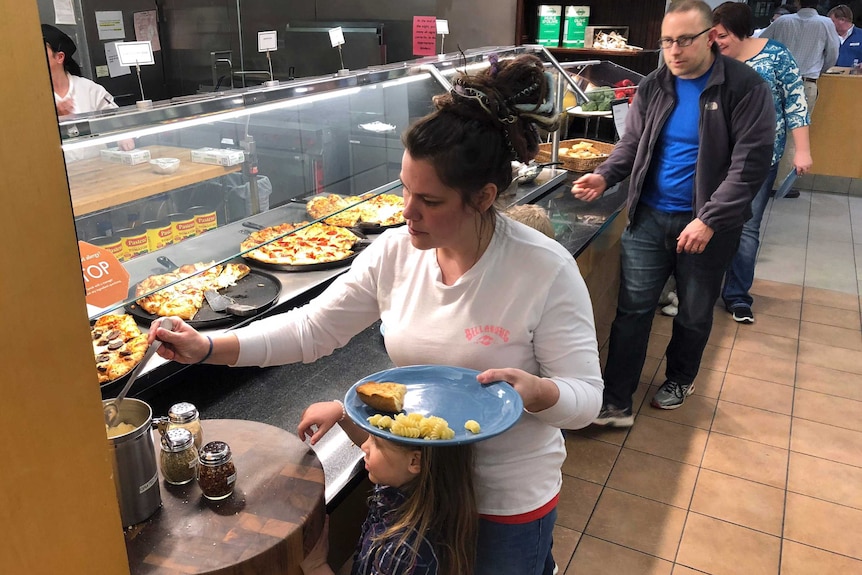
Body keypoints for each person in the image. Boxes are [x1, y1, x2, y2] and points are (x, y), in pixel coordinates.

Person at [149, 53, 604, 575]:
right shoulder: (396, 251)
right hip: (415, 488)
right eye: (404, 188)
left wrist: (538, 392)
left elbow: (586, 399)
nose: (406, 211)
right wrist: (207, 346)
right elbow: (313, 327)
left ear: (483, 197)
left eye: (428, 200)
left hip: (504, 501)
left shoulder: (542, 268)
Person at [571, 0, 775, 424]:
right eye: (667, 42)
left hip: (707, 225)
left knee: (694, 312)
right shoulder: (654, 86)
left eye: (685, 40)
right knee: (633, 311)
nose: (675, 51)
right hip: (647, 217)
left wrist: (710, 219)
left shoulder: (745, 87)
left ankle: (680, 377)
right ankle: (616, 400)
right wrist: (605, 175)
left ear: (711, 37)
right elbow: (632, 143)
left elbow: (749, 165)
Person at [713, 2, 812, 324]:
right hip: (715, 157)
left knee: (747, 226)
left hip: (759, 158)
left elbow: (795, 104)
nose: (717, 42)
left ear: (741, 30)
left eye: (723, 35)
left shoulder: (776, 55)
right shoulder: (714, 59)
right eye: (712, 36)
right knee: (708, 219)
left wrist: (802, 151)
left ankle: (738, 296)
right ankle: (699, 289)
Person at [298, 403, 477, 575]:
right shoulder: (423, 486)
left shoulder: (403, 554)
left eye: (375, 442)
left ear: (415, 461)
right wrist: (341, 413)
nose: (364, 446)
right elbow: (390, 451)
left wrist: (316, 567)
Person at [759, 0, 839, 192]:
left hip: (777, 82)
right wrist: (820, 70)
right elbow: (833, 54)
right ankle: (779, 186)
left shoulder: (783, 21)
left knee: (768, 130)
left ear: (797, 2)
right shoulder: (826, 23)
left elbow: (761, 41)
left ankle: (759, 179)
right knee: (795, 135)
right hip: (805, 82)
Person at [42, 24, 117, 116]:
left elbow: (115, 121)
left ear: (59, 57)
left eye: (40, 50)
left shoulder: (90, 89)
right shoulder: (31, 95)